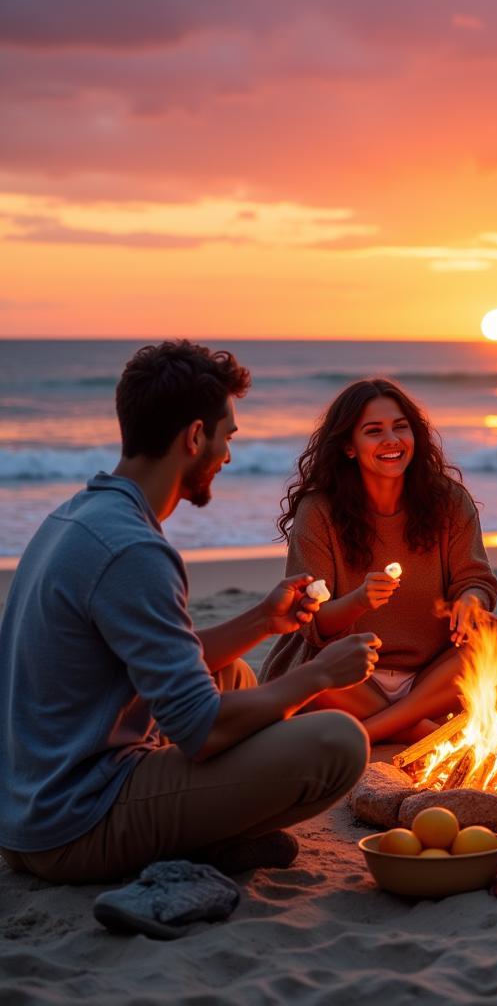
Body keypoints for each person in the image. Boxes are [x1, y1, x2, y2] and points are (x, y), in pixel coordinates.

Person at [0, 341, 379, 885]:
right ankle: (204, 842)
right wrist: (318, 674)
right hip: (71, 825)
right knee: (338, 744)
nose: (227, 455)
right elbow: (199, 729)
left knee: (234, 676)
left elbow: (157, 660)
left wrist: (262, 622)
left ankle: (209, 842)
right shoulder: (133, 550)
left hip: (29, 805)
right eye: (227, 436)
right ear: (195, 436)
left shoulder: (82, 515)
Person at [260, 378, 497, 744]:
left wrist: (470, 601)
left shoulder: (449, 500)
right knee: (311, 674)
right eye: (374, 431)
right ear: (348, 447)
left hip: (429, 676)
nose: (391, 439)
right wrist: (359, 600)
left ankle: (377, 730)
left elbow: (476, 578)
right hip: (349, 679)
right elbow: (312, 623)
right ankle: (421, 731)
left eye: (400, 427)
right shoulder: (319, 511)